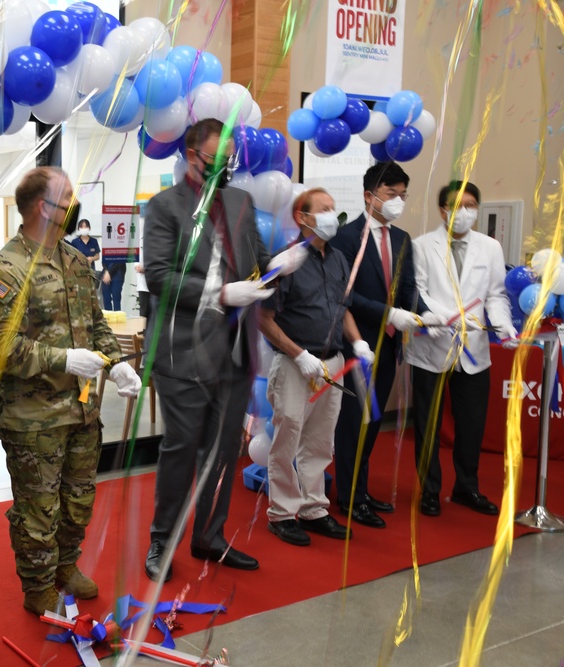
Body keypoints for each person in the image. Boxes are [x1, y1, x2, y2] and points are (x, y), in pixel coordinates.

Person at [141, 118, 305, 582]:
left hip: (234, 352)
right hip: (183, 352)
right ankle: (161, 541)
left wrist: (281, 264)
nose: (228, 165)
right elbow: (158, 277)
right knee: (181, 449)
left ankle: (209, 536)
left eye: (231, 157)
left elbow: (251, 266)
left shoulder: (239, 200)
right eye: (219, 157)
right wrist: (219, 293)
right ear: (194, 157)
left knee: (221, 453)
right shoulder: (164, 208)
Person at [0, 167, 141, 615]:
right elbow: (4, 348)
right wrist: (62, 360)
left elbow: (96, 325)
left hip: (82, 411)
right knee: (38, 510)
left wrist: (118, 363)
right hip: (33, 418)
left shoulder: (75, 262)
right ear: (39, 208)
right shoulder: (7, 270)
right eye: (66, 198)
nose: (74, 206)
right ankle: (38, 588)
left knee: (78, 499)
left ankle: (65, 566)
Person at [258, 188, 375, 546]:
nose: (332, 216)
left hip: (332, 364)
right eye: (323, 210)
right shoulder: (285, 260)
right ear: (302, 217)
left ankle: (313, 509)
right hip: (297, 365)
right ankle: (281, 513)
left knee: (321, 442)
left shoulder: (339, 259)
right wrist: (299, 355)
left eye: (334, 209)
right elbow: (264, 319)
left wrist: (357, 342)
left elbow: (344, 310)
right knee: (287, 441)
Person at [329, 161, 442, 528]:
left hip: (389, 346)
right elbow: (344, 295)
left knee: (373, 421)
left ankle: (361, 491)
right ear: (369, 196)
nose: (398, 201)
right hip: (357, 343)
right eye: (391, 194)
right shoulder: (346, 239)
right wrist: (388, 314)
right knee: (353, 424)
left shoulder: (401, 239)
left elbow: (409, 289)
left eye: (403, 195)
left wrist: (429, 315)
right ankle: (347, 499)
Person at [405, 181, 517, 517]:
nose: (464, 212)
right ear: (442, 210)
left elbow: (495, 294)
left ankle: (467, 487)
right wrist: (435, 316)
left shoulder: (490, 247)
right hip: (432, 344)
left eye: (470, 205)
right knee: (428, 424)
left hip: (474, 350)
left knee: (472, 424)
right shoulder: (421, 245)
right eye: (456, 205)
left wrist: (503, 324)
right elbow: (417, 291)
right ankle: (430, 490)